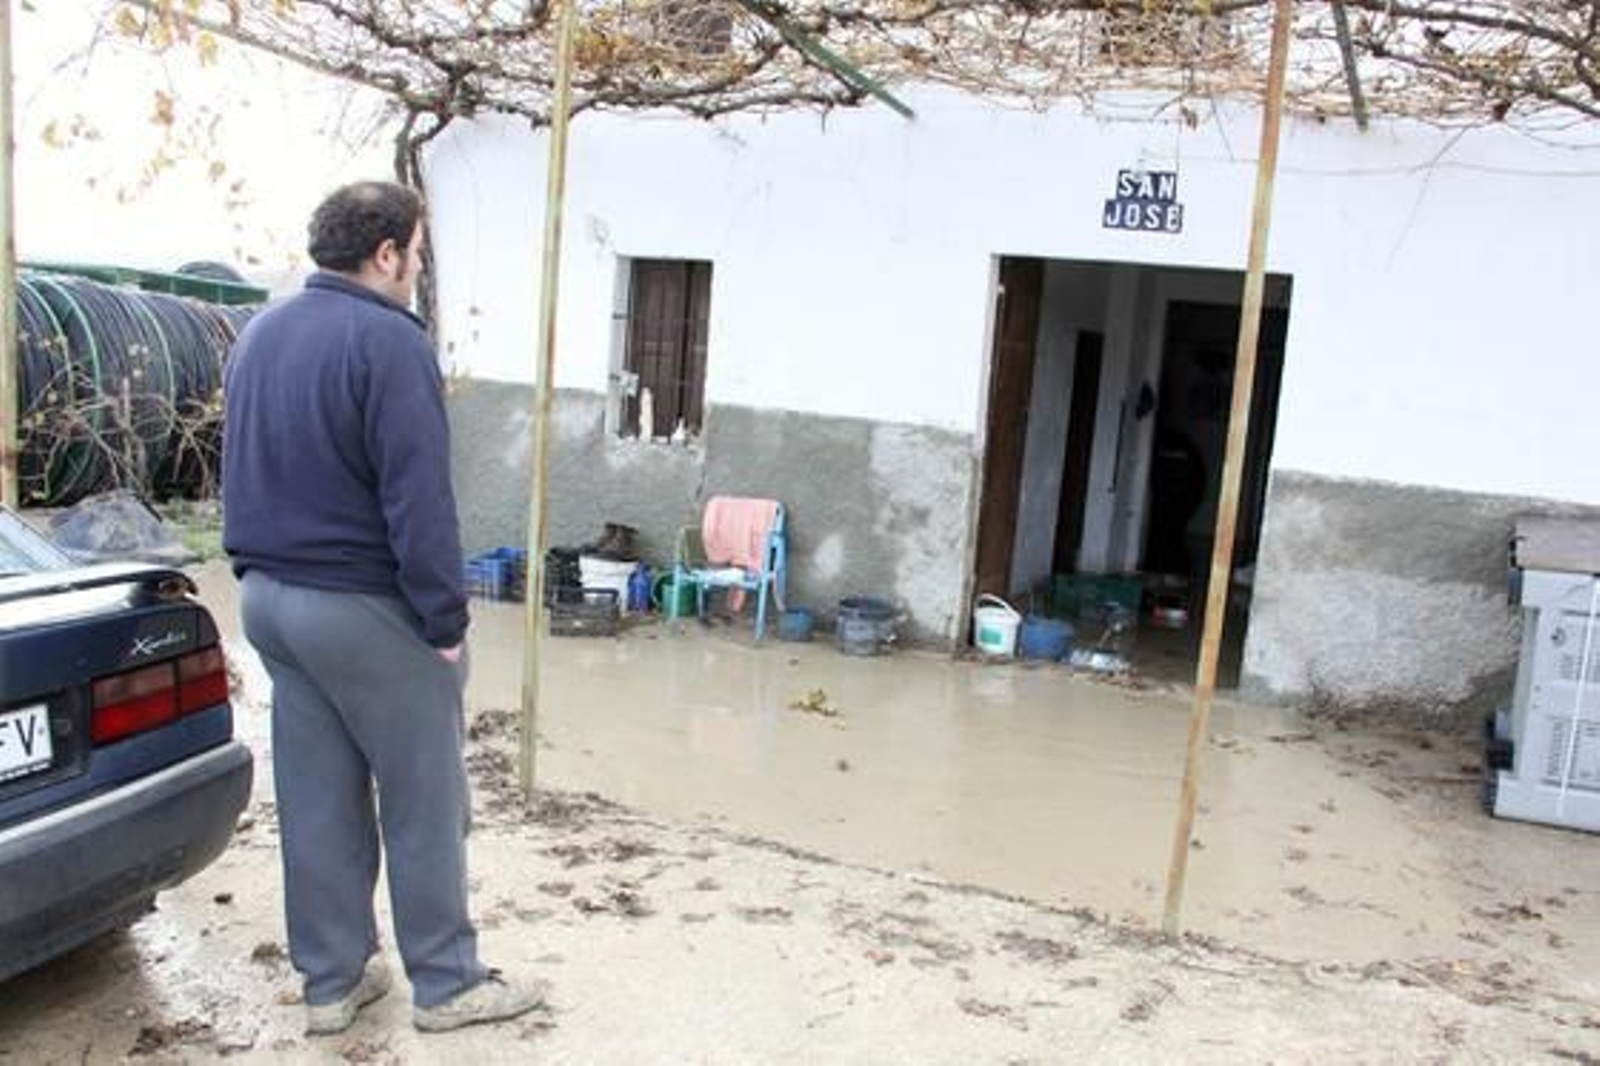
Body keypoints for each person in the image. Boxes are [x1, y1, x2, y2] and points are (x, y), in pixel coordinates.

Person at [223, 181, 542, 1035]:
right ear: (388, 254)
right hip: (361, 605)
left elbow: (239, 467)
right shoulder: (388, 342)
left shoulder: (260, 332)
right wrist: (444, 620)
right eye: (418, 253)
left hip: (267, 602)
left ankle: (332, 982)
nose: (417, 270)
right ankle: (446, 982)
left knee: (318, 794)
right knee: (424, 797)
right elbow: (419, 500)